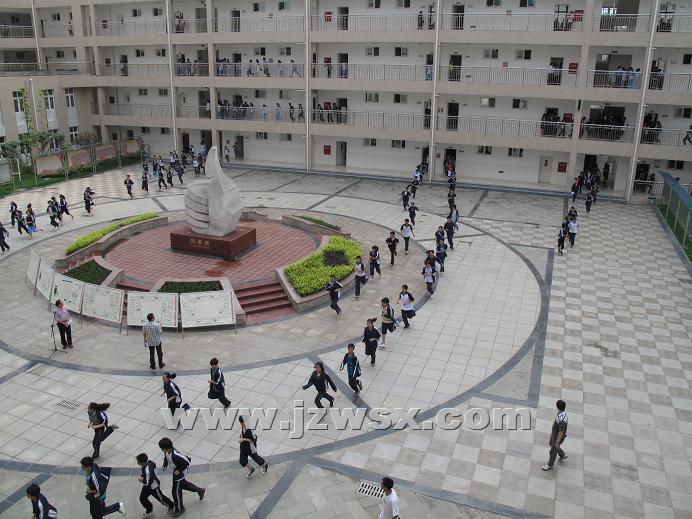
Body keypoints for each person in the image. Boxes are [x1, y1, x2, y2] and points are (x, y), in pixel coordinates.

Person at [158, 438, 205, 517]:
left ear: (168, 448)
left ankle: (180, 509)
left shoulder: (176, 456)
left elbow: (187, 461)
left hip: (179, 475)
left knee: (175, 492)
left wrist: (179, 470)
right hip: (175, 473)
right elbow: (166, 458)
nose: (162, 451)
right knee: (184, 485)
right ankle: (200, 490)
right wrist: (165, 465)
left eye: (162, 449)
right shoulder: (167, 452)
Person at [136, 452, 174, 517]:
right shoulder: (148, 463)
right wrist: (143, 476)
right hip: (147, 486)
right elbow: (153, 465)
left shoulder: (147, 471)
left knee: (161, 498)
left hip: (153, 487)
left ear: (142, 462)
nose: (137, 463)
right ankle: (149, 509)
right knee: (142, 498)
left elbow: (148, 481)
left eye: (138, 461)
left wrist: (141, 479)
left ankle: (171, 505)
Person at [542, 399, 568, 471]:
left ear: (557, 407)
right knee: (552, 444)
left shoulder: (562, 419)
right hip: (554, 435)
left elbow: (561, 432)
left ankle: (550, 465)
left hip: (557, 437)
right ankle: (562, 455)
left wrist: (557, 442)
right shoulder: (562, 413)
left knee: (552, 451)